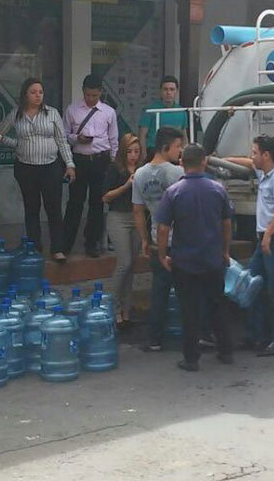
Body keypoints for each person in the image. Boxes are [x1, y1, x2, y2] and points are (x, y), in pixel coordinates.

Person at [155, 144, 234, 371]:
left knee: (189, 310)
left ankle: (191, 358)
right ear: (204, 163)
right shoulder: (218, 189)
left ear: (181, 163)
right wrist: (225, 250)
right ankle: (225, 351)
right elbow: (226, 223)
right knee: (217, 305)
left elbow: (163, 228)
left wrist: (163, 255)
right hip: (212, 258)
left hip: (184, 261)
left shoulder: (173, 192)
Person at [225, 135, 274, 357]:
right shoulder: (265, 173)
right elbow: (247, 164)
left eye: (255, 152)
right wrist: (221, 160)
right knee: (251, 287)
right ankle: (255, 335)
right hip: (266, 239)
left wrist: (267, 235)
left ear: (266, 156)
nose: (252, 156)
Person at [0, 78, 76, 263]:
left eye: (40, 92)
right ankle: (34, 247)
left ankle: (57, 248)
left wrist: (70, 164)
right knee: (31, 208)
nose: (38, 95)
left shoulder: (52, 113)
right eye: (33, 92)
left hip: (50, 167)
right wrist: (16, 144)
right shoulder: (16, 114)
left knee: (54, 208)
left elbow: (62, 141)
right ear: (25, 94)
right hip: (26, 167)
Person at [133, 126, 184, 352]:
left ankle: (155, 339)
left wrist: (144, 239)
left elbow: (137, 211)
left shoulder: (140, 174)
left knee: (159, 292)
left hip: (156, 240)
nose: (180, 151)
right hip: (180, 241)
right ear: (165, 147)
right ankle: (196, 334)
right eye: (177, 147)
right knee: (188, 291)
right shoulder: (176, 173)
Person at [63, 74, 118, 257]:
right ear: (83, 92)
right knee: (75, 203)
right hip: (79, 159)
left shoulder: (109, 112)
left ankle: (92, 243)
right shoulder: (72, 110)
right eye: (88, 95)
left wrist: (113, 161)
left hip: (101, 160)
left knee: (97, 203)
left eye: (94, 96)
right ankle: (66, 243)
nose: (91, 99)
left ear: (100, 93)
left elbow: (113, 139)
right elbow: (64, 136)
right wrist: (76, 138)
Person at [103, 133, 142, 325]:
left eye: (136, 152)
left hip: (136, 217)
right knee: (124, 262)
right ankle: (113, 306)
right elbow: (106, 196)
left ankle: (126, 309)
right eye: (129, 152)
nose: (133, 156)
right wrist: (127, 185)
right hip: (118, 216)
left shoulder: (142, 169)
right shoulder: (114, 168)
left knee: (132, 265)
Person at [138, 76, 188, 159]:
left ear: (177, 91)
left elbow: (184, 136)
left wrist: (185, 156)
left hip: (175, 153)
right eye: (165, 89)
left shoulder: (181, 111)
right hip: (154, 152)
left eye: (172, 89)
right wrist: (144, 157)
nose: (168, 92)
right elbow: (142, 135)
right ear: (161, 91)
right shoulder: (150, 110)